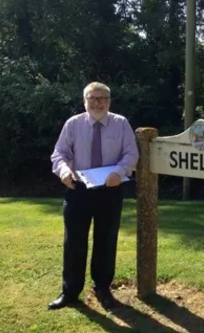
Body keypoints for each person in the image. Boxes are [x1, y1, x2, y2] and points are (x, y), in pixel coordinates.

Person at [48, 82, 139, 310]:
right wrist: (64, 171)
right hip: (78, 190)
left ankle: (102, 289)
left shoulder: (121, 123)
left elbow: (131, 153)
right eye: (93, 98)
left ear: (109, 101)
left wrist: (119, 172)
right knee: (74, 242)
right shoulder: (73, 124)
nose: (98, 102)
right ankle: (70, 291)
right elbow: (59, 153)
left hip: (110, 190)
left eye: (103, 98)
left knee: (106, 241)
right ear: (85, 101)